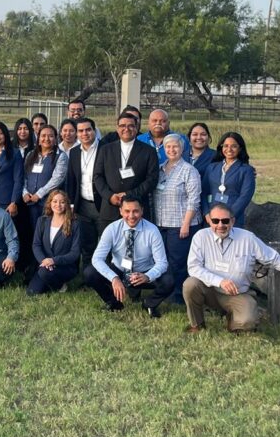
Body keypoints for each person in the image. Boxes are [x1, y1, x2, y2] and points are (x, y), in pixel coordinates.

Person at [184, 202, 280, 333]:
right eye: (216, 221)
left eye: (225, 221)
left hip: (237, 294)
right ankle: (197, 325)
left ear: (232, 221)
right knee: (190, 284)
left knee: (247, 322)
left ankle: (233, 320)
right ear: (209, 220)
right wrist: (220, 281)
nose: (220, 225)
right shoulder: (200, 237)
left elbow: (275, 259)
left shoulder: (248, 238)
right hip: (210, 290)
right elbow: (194, 267)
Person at [84, 196, 173, 317]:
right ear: (120, 211)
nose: (131, 216)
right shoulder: (112, 229)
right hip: (119, 271)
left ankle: (149, 304)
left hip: (143, 272)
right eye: (127, 211)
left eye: (135, 211)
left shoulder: (152, 230)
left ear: (142, 210)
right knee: (90, 273)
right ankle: (113, 303)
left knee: (169, 281)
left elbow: (162, 263)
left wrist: (148, 276)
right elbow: (97, 259)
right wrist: (114, 278)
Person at [154, 133, 202, 303]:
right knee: (163, 260)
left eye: (175, 146)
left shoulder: (189, 171)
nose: (171, 150)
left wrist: (186, 224)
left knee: (178, 262)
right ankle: (166, 292)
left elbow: (194, 200)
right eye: (168, 147)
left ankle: (179, 296)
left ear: (182, 149)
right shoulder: (160, 168)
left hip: (180, 225)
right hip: (161, 223)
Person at [93, 111, 159, 223]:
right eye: (122, 126)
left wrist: (129, 195)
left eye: (131, 126)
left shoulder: (149, 151)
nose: (126, 129)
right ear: (117, 128)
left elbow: (152, 180)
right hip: (110, 210)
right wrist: (110, 196)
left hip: (137, 211)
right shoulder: (105, 149)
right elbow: (97, 176)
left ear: (137, 128)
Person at [26, 189, 82, 295]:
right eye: (55, 201)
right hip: (45, 265)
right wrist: (44, 261)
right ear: (50, 203)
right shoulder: (42, 221)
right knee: (32, 292)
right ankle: (53, 283)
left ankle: (60, 284)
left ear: (66, 204)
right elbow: (36, 245)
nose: (58, 205)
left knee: (43, 274)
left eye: (62, 202)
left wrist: (54, 260)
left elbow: (75, 253)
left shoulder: (74, 224)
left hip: (65, 266)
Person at [66, 117, 103, 261]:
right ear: (76, 133)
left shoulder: (106, 148)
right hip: (83, 206)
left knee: (107, 244)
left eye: (88, 130)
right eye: (80, 131)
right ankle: (88, 277)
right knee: (87, 245)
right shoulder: (74, 152)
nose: (85, 133)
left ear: (94, 131)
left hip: (102, 205)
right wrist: (71, 206)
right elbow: (71, 181)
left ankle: (107, 278)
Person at [201, 132, 256, 226]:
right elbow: (203, 192)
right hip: (212, 218)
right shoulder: (212, 167)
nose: (229, 149)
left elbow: (245, 197)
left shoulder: (246, 170)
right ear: (221, 147)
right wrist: (206, 213)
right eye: (225, 146)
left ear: (240, 148)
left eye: (234, 146)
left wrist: (230, 216)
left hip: (233, 219)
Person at [21, 124, 68, 230]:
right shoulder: (30, 155)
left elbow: (57, 179)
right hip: (30, 202)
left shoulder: (60, 156)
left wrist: (39, 194)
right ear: (38, 138)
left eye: (50, 136)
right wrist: (24, 193)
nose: (46, 139)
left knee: (46, 231)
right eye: (43, 136)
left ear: (56, 138)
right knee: (32, 231)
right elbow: (23, 176)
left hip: (49, 203)